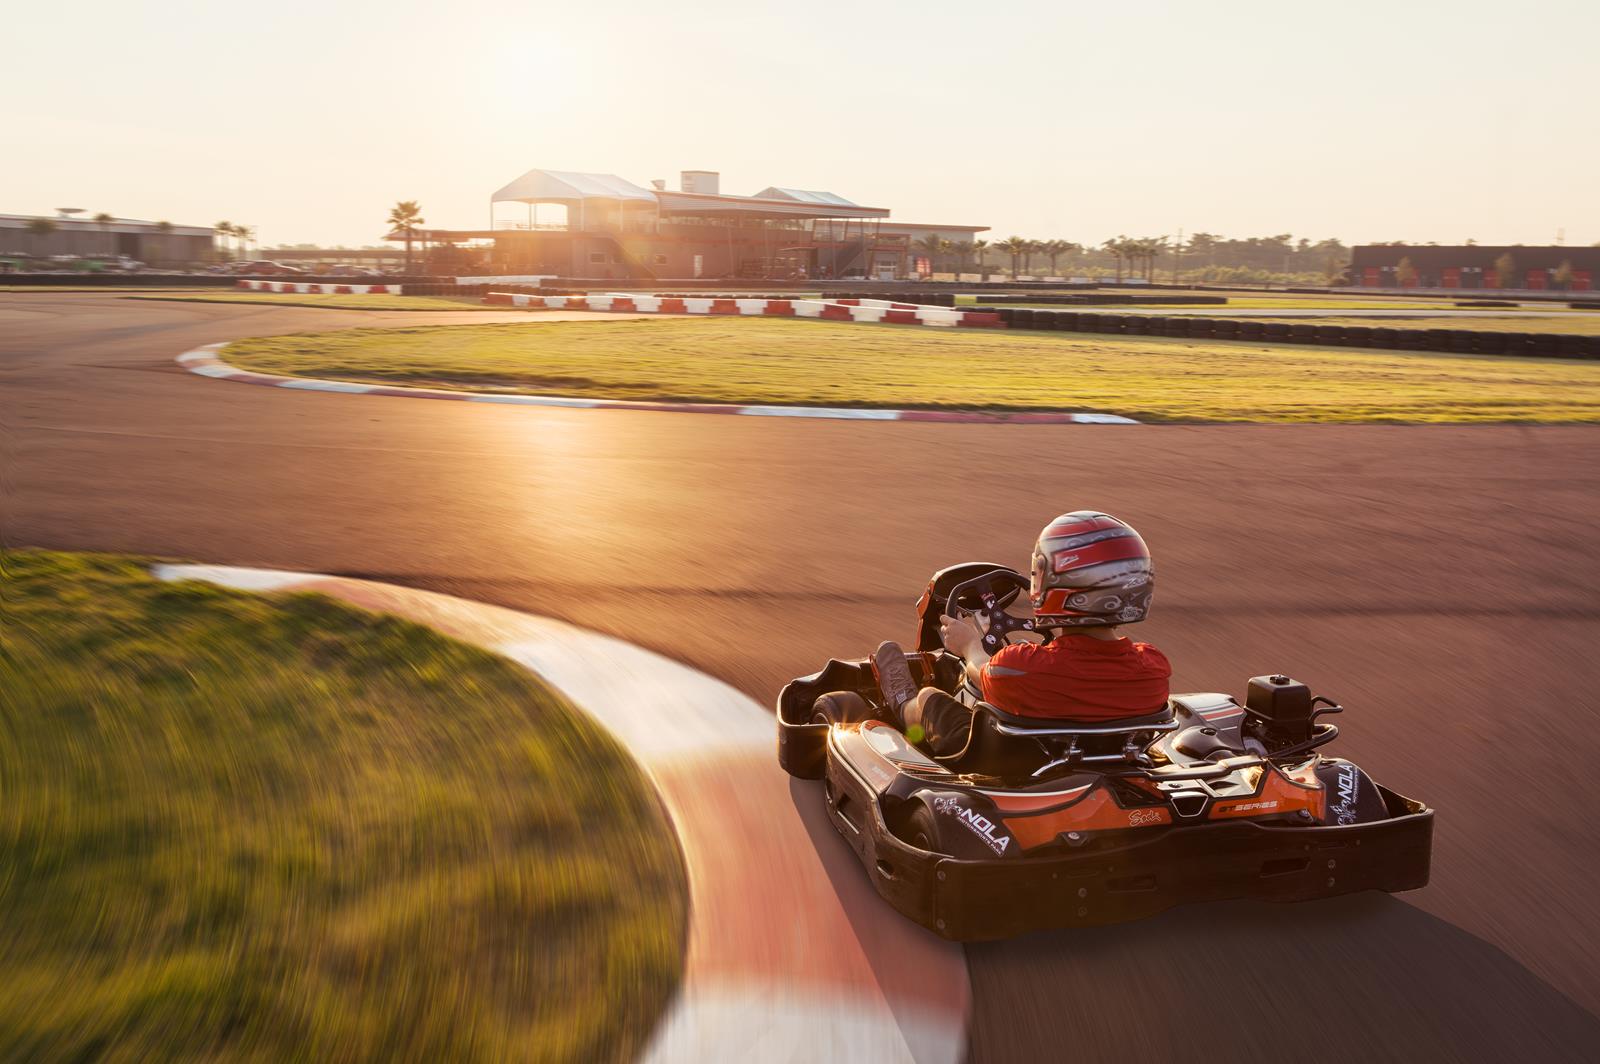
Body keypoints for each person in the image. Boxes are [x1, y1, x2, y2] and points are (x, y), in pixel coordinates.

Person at [876, 511, 1172, 755]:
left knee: (930, 698)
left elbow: (981, 669)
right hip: (1112, 755)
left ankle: (902, 703)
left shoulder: (1018, 668)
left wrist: (970, 645)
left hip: (1015, 761)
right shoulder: (1153, 667)